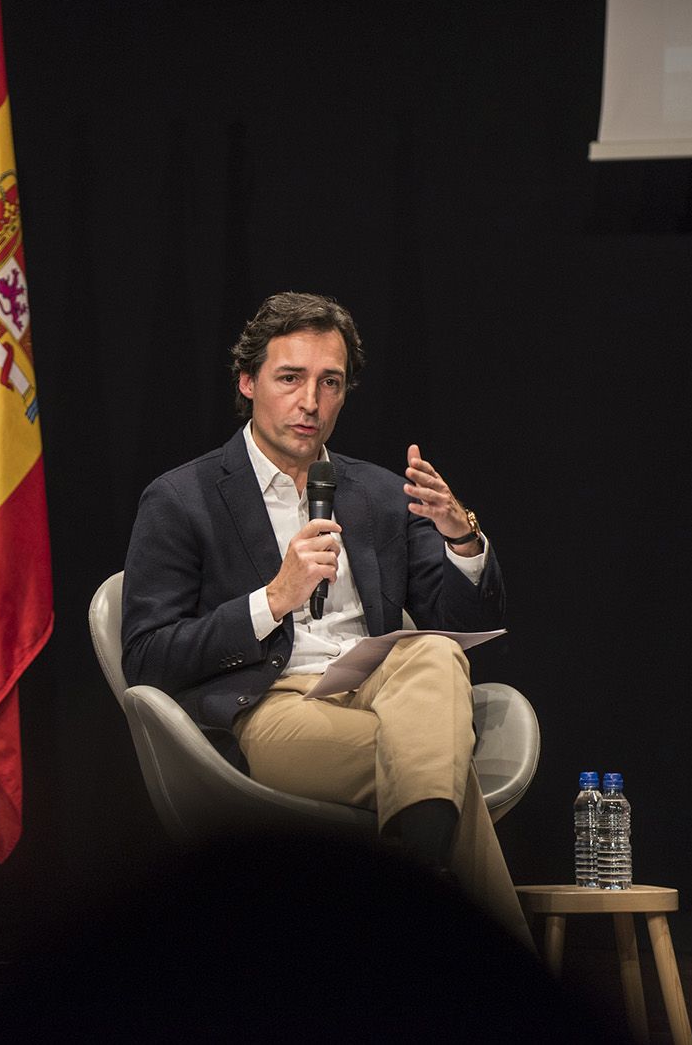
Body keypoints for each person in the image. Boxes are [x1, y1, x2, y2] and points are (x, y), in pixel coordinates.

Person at [120, 291, 529, 942]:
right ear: (248, 382)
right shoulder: (181, 498)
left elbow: (466, 622)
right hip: (270, 702)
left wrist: (462, 539)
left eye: (329, 382)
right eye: (290, 378)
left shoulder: (380, 493)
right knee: (441, 768)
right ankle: (446, 916)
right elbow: (145, 658)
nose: (310, 401)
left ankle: (421, 898)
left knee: (435, 650)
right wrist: (272, 600)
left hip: (384, 688)